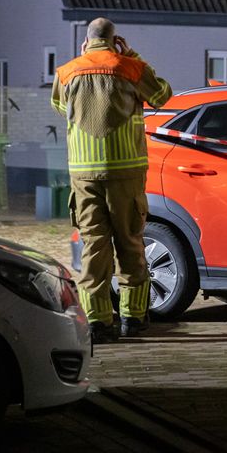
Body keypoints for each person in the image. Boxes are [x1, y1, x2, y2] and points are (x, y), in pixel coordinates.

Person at [51, 18, 172, 342]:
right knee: (130, 243)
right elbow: (162, 95)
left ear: (87, 42)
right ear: (114, 39)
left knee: (94, 247)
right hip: (126, 173)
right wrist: (133, 56)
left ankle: (98, 323)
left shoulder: (66, 72)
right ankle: (133, 318)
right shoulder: (130, 68)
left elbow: (61, 107)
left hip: (84, 174)